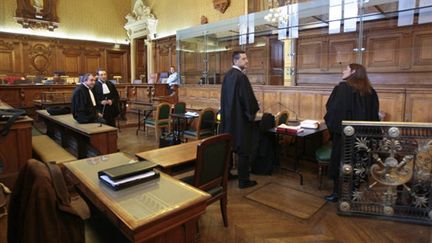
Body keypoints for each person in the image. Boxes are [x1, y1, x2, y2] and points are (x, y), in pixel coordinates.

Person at [324, 63, 380, 202]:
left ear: (353, 71)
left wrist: (333, 130)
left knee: (340, 163)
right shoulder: (370, 91)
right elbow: (374, 117)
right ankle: (354, 193)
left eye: (346, 69)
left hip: (344, 136)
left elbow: (332, 111)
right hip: (363, 137)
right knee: (358, 164)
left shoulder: (342, 88)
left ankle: (337, 193)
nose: (343, 71)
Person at [220, 50, 260, 189]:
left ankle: (227, 174)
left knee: (229, 147)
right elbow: (247, 100)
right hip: (240, 120)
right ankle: (244, 180)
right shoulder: (241, 77)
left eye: (246, 58)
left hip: (228, 118)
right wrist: (252, 113)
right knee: (244, 149)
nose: (247, 61)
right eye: (244, 58)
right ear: (235, 61)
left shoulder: (227, 76)